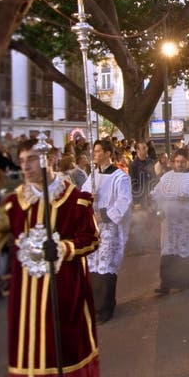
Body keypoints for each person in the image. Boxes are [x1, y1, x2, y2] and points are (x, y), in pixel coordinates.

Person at [4, 139, 110, 377]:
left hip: (64, 290)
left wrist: (64, 247)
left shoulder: (74, 199)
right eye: (22, 160)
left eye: (32, 159)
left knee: (66, 350)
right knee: (36, 359)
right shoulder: (15, 203)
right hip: (27, 295)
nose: (26, 166)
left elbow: (91, 239)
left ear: (48, 159)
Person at [82, 138, 133, 323]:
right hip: (93, 227)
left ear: (108, 153)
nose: (94, 154)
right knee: (93, 266)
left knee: (106, 267)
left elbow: (124, 201)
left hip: (110, 227)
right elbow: (82, 194)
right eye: (94, 151)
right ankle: (94, 306)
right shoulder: (92, 176)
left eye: (97, 151)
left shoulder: (120, 177)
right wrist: (88, 198)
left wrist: (103, 215)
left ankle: (105, 309)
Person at [150, 147, 189, 294]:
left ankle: (186, 282)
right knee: (169, 253)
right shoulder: (167, 177)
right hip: (170, 223)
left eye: (183, 162)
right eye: (177, 161)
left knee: (187, 253)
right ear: (173, 162)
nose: (180, 164)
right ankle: (166, 284)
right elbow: (158, 193)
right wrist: (151, 197)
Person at [129, 140, 156, 208]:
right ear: (137, 150)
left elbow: (154, 178)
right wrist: (136, 201)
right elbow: (133, 183)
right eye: (143, 148)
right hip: (141, 197)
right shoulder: (133, 165)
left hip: (152, 195)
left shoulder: (150, 161)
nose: (146, 149)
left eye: (146, 147)